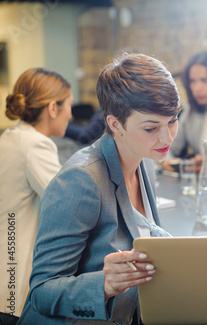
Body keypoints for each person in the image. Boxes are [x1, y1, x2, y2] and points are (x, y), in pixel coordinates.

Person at [18, 53, 181, 324]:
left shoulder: (145, 158)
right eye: (152, 127)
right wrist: (104, 284)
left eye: (173, 121)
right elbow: (41, 292)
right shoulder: (81, 180)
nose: (167, 138)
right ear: (116, 124)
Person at [0, 68, 73, 322]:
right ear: (53, 108)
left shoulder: (12, 136)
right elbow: (69, 201)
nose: (70, 114)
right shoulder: (36, 145)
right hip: (14, 273)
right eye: (68, 106)